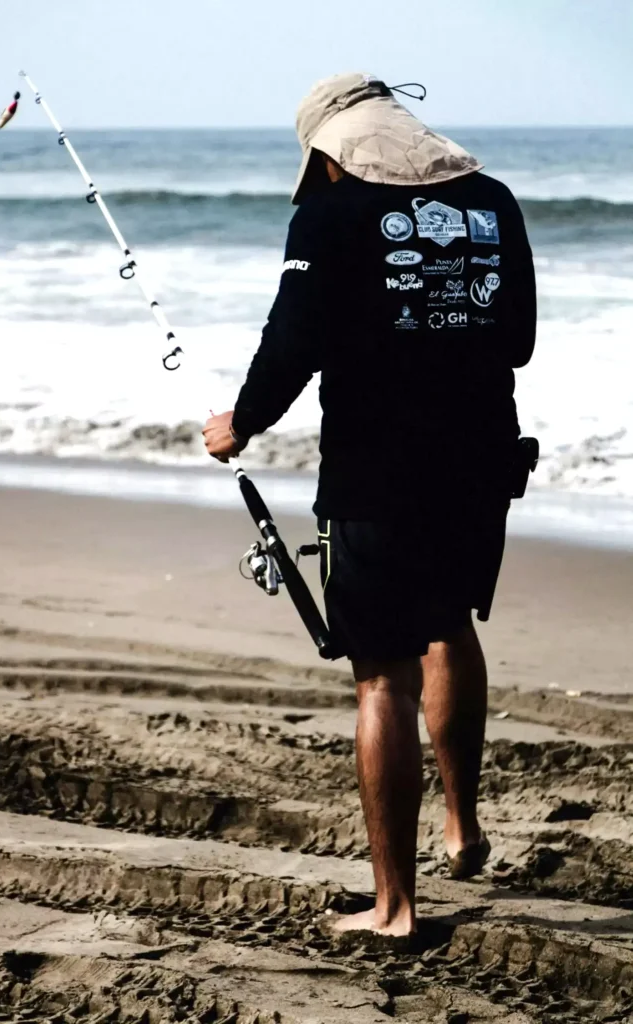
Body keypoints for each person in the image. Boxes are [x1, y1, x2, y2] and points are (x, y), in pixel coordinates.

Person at [203, 73, 536, 938]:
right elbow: (518, 340)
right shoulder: (492, 202)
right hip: (482, 459)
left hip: (378, 471)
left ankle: (394, 909)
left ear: (330, 154)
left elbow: (293, 341)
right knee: (449, 624)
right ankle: (461, 829)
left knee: (383, 673)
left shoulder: (328, 213)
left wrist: (242, 422)